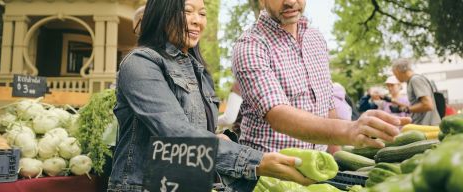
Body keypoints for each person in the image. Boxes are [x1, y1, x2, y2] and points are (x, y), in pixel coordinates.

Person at [107, 0, 314, 191]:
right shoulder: (140, 63)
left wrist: (218, 137)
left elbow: (195, 135)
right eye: (187, 11)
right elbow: (176, 133)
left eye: (202, 13)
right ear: (161, 12)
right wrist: (255, 162)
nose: (197, 21)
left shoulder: (199, 71)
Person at [232, 0, 409, 154]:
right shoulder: (250, 45)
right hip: (269, 175)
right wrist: (349, 129)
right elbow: (278, 115)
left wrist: (339, 159)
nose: (290, 1)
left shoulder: (315, 37)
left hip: (318, 168)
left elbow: (327, 105)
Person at [391, 58, 441, 125]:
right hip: (422, 125)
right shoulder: (411, 81)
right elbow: (419, 104)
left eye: (395, 74)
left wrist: (405, 109)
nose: (395, 77)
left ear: (398, 70)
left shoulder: (415, 80)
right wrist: (401, 106)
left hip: (426, 126)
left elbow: (428, 105)